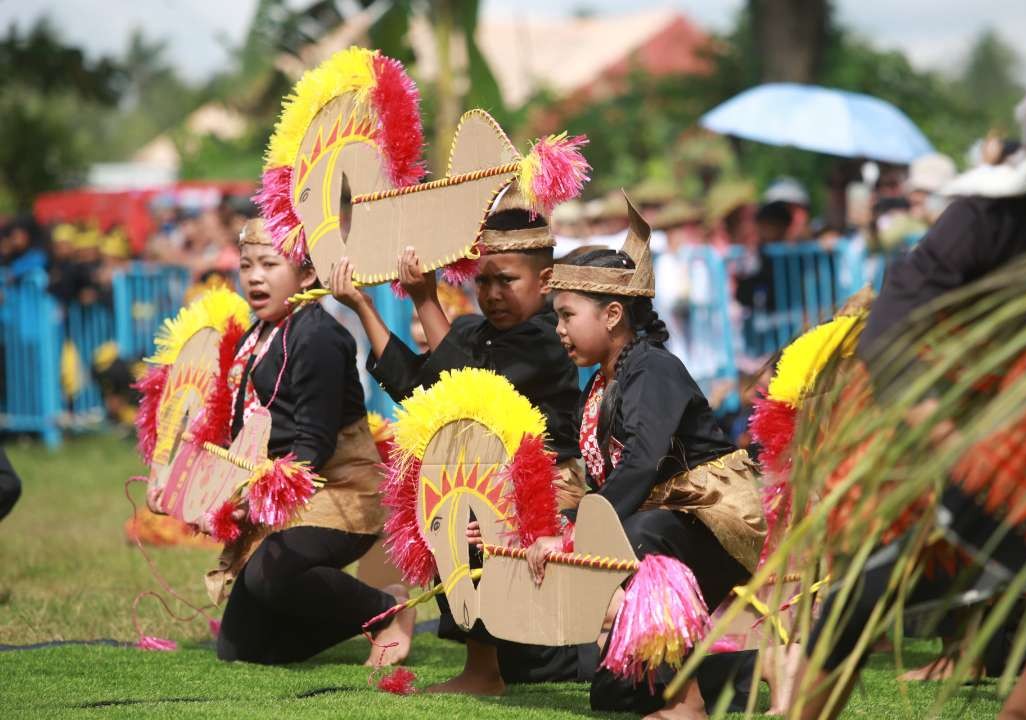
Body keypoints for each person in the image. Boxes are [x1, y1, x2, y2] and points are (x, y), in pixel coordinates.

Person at [788, 52, 1026, 720]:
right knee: (874, 580)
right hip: (927, 420)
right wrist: (943, 430)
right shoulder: (993, 215)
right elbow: (891, 323)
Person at [330, 186, 589, 694]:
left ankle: (487, 671)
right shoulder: (471, 331)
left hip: (545, 490)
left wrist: (425, 298)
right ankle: (490, 666)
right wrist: (363, 307)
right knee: (446, 506)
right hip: (487, 483)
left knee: (467, 511)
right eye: (483, 280)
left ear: (546, 280)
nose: (491, 293)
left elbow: (469, 392)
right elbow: (421, 389)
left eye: (507, 280)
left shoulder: (545, 338)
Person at [529, 199, 766, 718]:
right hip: (659, 525)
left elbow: (638, 466)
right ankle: (722, 671)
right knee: (609, 695)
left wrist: (573, 532)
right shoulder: (599, 384)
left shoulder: (653, 369)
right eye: (557, 317)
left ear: (613, 314)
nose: (560, 329)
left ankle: (688, 703)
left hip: (715, 525)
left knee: (641, 531)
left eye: (567, 315)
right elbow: (604, 481)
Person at [149, 218, 413, 666]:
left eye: (270, 264)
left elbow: (313, 445)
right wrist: (191, 490)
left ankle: (383, 610)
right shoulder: (254, 337)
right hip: (282, 497)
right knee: (242, 651)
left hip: (340, 494)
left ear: (307, 275)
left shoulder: (319, 337)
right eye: (247, 264)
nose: (254, 276)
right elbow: (237, 434)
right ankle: (358, 609)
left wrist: (252, 502)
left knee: (270, 574)